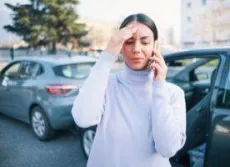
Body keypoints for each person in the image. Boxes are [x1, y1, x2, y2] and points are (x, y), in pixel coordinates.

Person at [71, 13, 186, 167]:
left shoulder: (172, 93)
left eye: (145, 42)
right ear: (120, 46)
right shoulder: (106, 84)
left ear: (155, 46)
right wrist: (108, 53)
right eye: (129, 42)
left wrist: (159, 86)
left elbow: (168, 148)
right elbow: (82, 118)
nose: (136, 49)